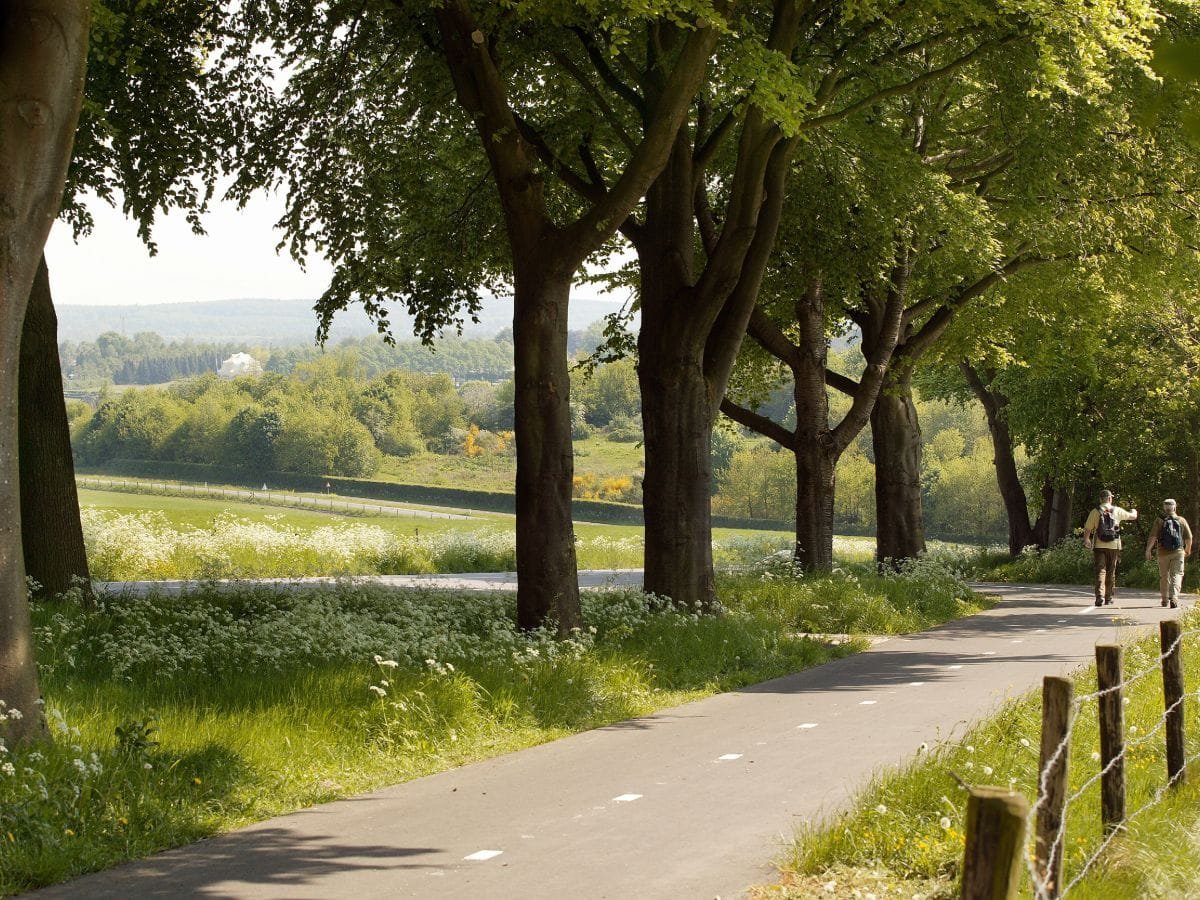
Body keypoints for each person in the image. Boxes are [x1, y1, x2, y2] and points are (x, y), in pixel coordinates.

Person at [1083, 490, 1138, 606]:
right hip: (1114, 545)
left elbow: (1088, 528)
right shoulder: (1117, 510)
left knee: (1100, 571)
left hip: (1099, 545)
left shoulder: (1095, 511)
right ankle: (1108, 598)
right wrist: (1134, 511)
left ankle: (1099, 597)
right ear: (1109, 498)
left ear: (1100, 499)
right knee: (1111, 572)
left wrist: (1086, 540)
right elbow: (1133, 517)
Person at [1145, 499, 1192, 609]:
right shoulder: (1181, 520)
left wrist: (1148, 550)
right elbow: (1189, 537)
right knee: (1177, 574)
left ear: (1164, 508)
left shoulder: (1159, 521)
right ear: (1174, 507)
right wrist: (1188, 549)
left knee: (1164, 576)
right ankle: (1174, 598)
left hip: (1162, 553)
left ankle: (1165, 599)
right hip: (1178, 552)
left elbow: (1153, 537)